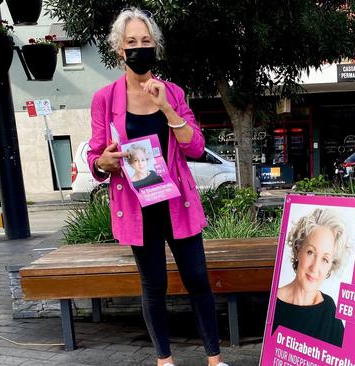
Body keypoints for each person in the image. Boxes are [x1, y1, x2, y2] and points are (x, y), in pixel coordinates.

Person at [86, 8, 227, 366]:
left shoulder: (174, 92)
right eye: (131, 42)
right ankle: (164, 360)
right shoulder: (105, 99)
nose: (139, 48)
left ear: (155, 47)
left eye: (145, 41)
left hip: (176, 201)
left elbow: (195, 146)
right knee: (154, 285)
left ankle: (214, 358)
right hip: (137, 204)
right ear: (120, 49)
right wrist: (104, 161)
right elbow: (95, 156)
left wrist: (166, 107)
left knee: (197, 278)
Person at [272, 208, 350, 347]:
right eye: (310, 252)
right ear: (298, 249)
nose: (314, 268)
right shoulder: (271, 303)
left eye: (325, 259)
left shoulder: (329, 310)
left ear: (331, 266)